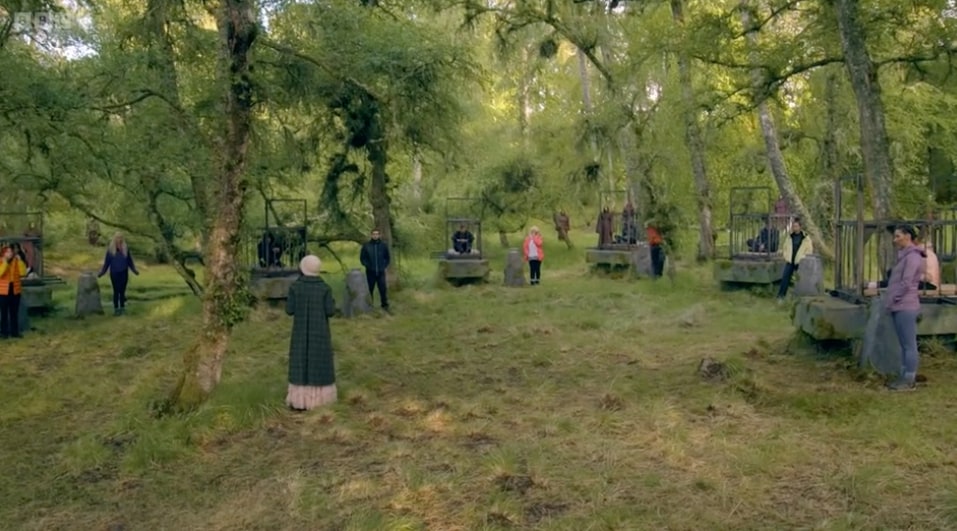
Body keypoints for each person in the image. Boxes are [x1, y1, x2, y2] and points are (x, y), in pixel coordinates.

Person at [285, 255, 338, 410]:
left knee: (300, 361)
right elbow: (330, 311)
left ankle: (300, 401)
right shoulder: (325, 288)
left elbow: (289, 310)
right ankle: (320, 401)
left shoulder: (295, 287)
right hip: (320, 331)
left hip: (300, 331)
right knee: (319, 362)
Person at [885, 225, 925, 391]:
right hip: (899, 305)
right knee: (903, 344)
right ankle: (903, 376)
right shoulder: (904, 256)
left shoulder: (913, 257)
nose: (895, 240)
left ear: (908, 236)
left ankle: (909, 379)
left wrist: (894, 298)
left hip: (906, 305)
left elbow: (906, 282)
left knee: (909, 345)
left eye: (898, 236)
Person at [97, 232, 140, 316]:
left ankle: (122, 309)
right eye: (117, 238)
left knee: (122, 291)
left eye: (120, 238)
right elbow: (107, 263)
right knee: (116, 291)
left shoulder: (125, 249)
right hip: (114, 273)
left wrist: (134, 270)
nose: (119, 239)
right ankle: (116, 309)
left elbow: (129, 261)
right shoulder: (110, 250)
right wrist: (102, 272)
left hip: (124, 272)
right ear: (114, 239)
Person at [776, 218, 812, 301]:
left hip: (800, 262)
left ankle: (801, 297)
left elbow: (809, 250)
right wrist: (785, 256)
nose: (794, 228)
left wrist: (803, 258)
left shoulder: (805, 238)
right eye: (793, 226)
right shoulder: (789, 237)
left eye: (796, 226)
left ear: (800, 227)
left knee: (801, 280)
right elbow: (785, 248)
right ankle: (781, 296)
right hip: (790, 261)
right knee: (785, 278)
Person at [0, 244, 27, 339]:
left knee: (14, 312)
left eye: (11, 252)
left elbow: (23, 273)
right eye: (7, 252)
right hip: (3, 291)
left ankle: (14, 332)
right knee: (3, 313)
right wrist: (5, 262)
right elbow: (0, 273)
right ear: (3, 253)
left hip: (15, 289)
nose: (9, 254)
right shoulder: (1, 261)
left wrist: (20, 261)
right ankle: (4, 333)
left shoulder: (16, 261)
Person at [360, 228, 391, 311]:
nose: (375, 235)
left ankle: (385, 306)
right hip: (370, 272)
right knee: (370, 289)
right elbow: (362, 258)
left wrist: (383, 266)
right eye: (374, 234)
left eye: (377, 234)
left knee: (383, 289)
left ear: (379, 235)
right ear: (371, 235)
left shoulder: (383, 246)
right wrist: (367, 265)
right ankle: (369, 306)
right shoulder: (367, 246)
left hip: (381, 272)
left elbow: (387, 258)